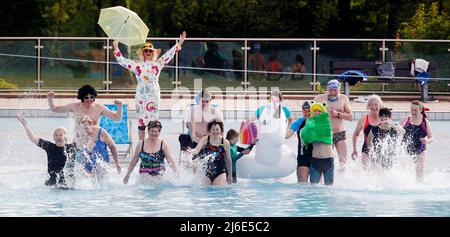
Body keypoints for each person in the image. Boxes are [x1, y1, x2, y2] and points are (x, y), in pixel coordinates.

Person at [113, 31, 186, 140]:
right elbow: (122, 61)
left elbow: (168, 55)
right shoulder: (136, 64)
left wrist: (180, 42)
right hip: (141, 94)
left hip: (154, 93)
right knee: (141, 121)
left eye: (150, 51)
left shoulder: (158, 63)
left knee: (154, 121)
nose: (147, 52)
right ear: (142, 52)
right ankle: (141, 146)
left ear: (153, 53)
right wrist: (116, 46)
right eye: (145, 50)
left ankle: (155, 145)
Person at [16, 115, 76, 187]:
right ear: (54, 137)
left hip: (67, 184)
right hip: (51, 184)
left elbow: (81, 139)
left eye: (60, 135)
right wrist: (25, 125)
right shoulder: (50, 147)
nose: (58, 137)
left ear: (65, 137)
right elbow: (33, 138)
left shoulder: (70, 148)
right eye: (56, 135)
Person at [314, 79, 353, 171]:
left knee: (343, 163)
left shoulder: (343, 98)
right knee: (324, 161)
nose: (333, 92)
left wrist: (338, 114)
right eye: (331, 90)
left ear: (339, 89)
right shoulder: (319, 98)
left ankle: (341, 181)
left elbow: (351, 117)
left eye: (335, 90)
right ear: (327, 89)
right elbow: (309, 115)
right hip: (325, 134)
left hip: (339, 133)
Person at [47, 85, 122, 131]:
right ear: (81, 97)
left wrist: (119, 106)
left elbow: (117, 118)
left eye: (91, 97)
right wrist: (50, 99)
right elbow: (55, 109)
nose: (89, 99)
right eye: (86, 97)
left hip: (94, 140)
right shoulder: (75, 106)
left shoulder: (99, 108)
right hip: (79, 141)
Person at [189, 120, 232, 186]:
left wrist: (230, 175)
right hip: (206, 171)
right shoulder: (205, 139)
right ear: (210, 130)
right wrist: (191, 151)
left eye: (217, 129)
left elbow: (228, 160)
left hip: (220, 171)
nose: (215, 131)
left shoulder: (225, 142)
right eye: (213, 129)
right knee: (206, 191)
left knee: (218, 191)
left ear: (221, 130)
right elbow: (196, 150)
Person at [300, 102, 334, 185]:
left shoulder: (326, 123)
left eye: (319, 111)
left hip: (328, 160)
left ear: (323, 112)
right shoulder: (310, 122)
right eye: (314, 111)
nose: (316, 113)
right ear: (312, 113)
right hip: (315, 160)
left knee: (329, 188)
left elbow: (321, 134)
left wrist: (310, 130)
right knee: (313, 188)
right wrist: (309, 127)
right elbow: (304, 134)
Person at [400, 100, 433, 182]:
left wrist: (426, 140)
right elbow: (398, 130)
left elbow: (431, 137)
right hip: (406, 148)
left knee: (419, 169)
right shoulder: (406, 120)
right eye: (412, 110)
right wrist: (398, 128)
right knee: (403, 169)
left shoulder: (425, 122)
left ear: (421, 110)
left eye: (415, 110)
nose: (413, 112)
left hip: (420, 149)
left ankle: (419, 184)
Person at [351, 95, 383, 169]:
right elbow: (356, 134)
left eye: (376, 104)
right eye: (371, 104)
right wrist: (354, 149)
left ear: (380, 106)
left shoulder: (384, 119)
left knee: (379, 174)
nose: (373, 107)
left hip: (381, 150)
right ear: (368, 106)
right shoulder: (363, 119)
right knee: (367, 173)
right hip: (366, 150)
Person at [286, 101, 312, 183]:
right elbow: (287, 135)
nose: (306, 113)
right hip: (303, 156)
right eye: (304, 111)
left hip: (317, 156)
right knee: (302, 184)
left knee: (316, 185)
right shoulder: (298, 122)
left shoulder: (317, 121)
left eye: (308, 110)